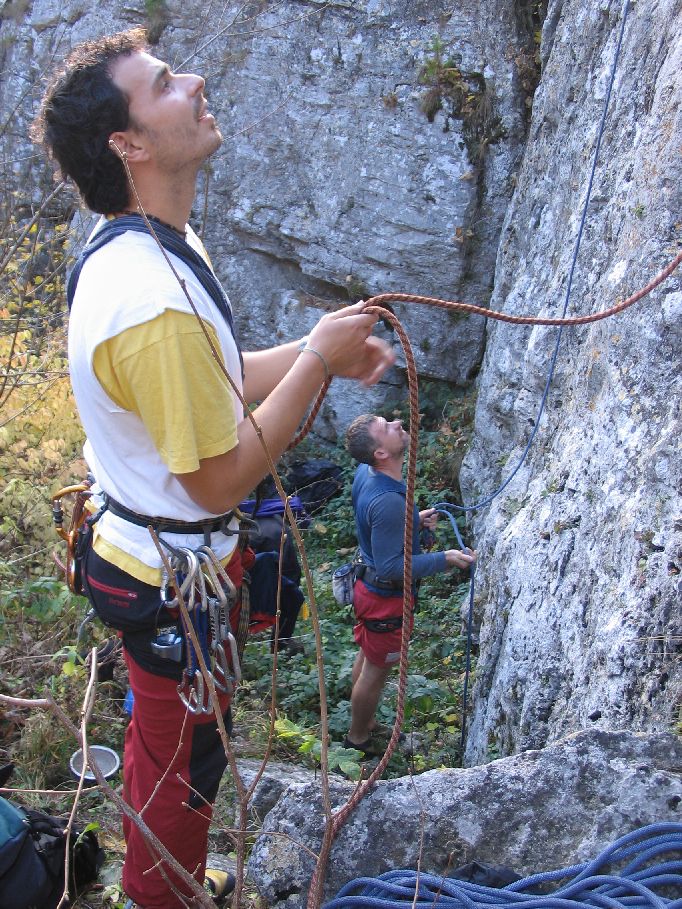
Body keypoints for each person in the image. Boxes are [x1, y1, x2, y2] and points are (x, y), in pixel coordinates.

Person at [32, 29, 394, 909]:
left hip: (145, 561)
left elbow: (216, 375)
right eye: (164, 83)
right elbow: (220, 479)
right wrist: (318, 361)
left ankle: (166, 877)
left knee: (172, 746)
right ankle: (166, 893)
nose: (193, 81)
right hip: (171, 581)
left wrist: (314, 350)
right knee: (184, 762)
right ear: (129, 143)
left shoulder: (142, 243)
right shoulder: (151, 298)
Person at [343, 413, 476, 755]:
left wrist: (411, 521)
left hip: (368, 589)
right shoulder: (388, 501)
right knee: (376, 671)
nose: (397, 423)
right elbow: (390, 567)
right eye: (386, 427)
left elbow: (376, 524)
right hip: (384, 599)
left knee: (368, 656)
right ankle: (358, 738)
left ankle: (365, 722)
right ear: (380, 453)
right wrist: (445, 558)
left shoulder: (367, 475)